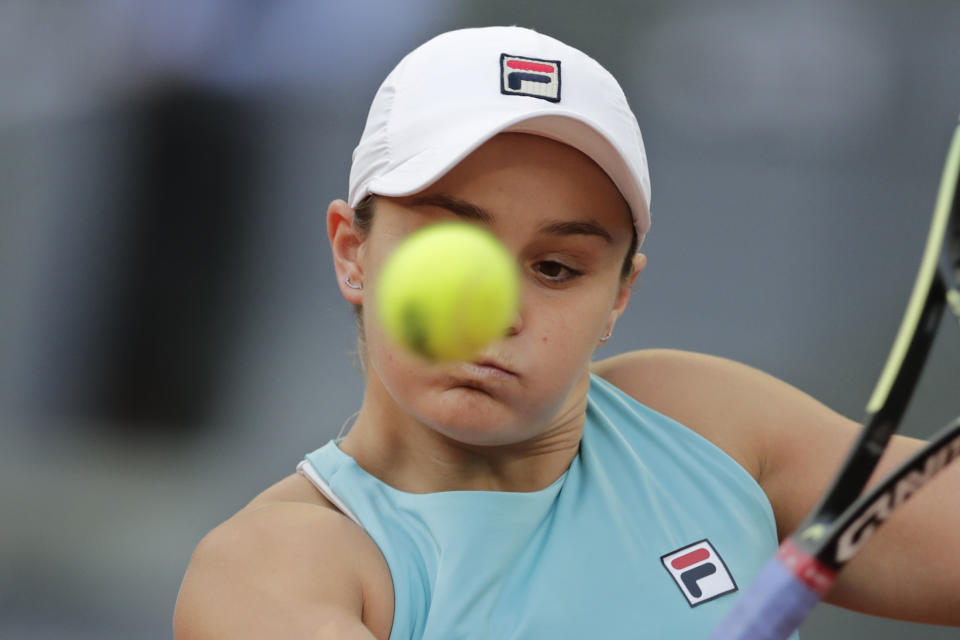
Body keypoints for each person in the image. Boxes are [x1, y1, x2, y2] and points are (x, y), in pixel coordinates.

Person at [173, 26, 960, 639]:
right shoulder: (271, 570)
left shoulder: (707, 422)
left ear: (619, 296)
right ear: (354, 252)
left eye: (556, 268)